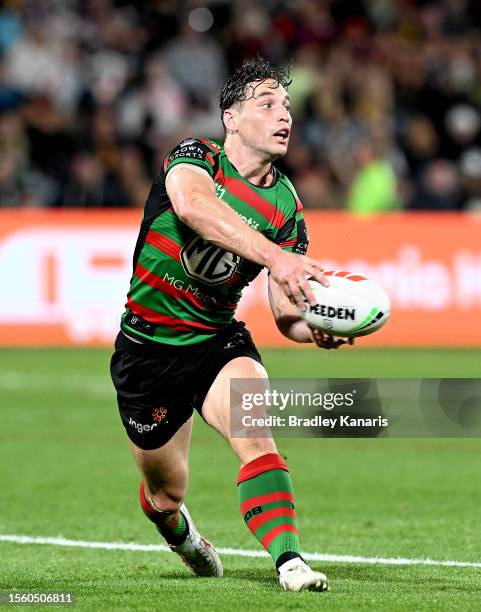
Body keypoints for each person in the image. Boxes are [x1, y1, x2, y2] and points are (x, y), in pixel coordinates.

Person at [110, 56, 352, 593]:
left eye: (286, 106)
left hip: (215, 342)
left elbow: (285, 314)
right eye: (266, 104)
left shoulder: (286, 206)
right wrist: (274, 256)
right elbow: (193, 208)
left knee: (255, 431)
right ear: (232, 118)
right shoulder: (197, 159)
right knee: (164, 494)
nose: (282, 115)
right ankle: (181, 534)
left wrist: (313, 328)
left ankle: (290, 562)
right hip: (146, 350)